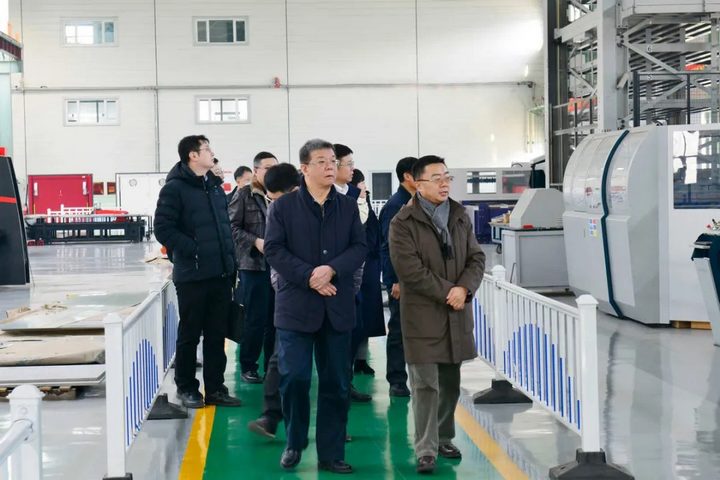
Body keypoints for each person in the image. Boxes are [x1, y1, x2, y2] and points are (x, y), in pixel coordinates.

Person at [264, 139, 367, 474]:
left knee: (337, 383)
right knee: (294, 378)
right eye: (321, 161)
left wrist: (331, 269)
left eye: (333, 161)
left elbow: (359, 248)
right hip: (296, 306)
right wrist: (309, 276)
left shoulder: (348, 207)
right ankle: (294, 442)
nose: (330, 167)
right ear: (304, 168)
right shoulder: (283, 207)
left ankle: (331, 453)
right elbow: (274, 250)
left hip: (336, 306)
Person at [389, 155, 485, 474]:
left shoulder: (459, 215)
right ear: (418, 184)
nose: (444, 184)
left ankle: (444, 437)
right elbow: (410, 270)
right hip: (423, 314)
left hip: (455, 313)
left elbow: (476, 258)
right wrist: (450, 291)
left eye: (447, 177)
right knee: (425, 384)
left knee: (450, 382)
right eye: (436, 178)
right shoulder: (403, 222)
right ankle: (426, 449)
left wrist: (465, 288)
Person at [154, 135, 241, 409]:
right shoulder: (175, 189)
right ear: (193, 155)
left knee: (216, 334)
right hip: (192, 275)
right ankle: (187, 387)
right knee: (190, 334)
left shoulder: (213, 187)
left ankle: (215, 388)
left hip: (220, 273)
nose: (212, 153)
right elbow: (163, 229)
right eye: (207, 149)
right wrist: (194, 250)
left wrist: (230, 263)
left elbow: (224, 229)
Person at [246, 162, 300, 439]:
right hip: (291, 296)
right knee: (280, 358)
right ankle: (270, 415)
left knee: (331, 365)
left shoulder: (332, 208)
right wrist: (286, 286)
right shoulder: (278, 213)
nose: (274, 204)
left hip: (329, 295)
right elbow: (275, 254)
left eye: (277, 198)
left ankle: (335, 423)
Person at [228, 151, 279, 383]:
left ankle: (272, 367)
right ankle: (249, 366)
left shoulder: (282, 194)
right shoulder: (244, 195)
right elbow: (231, 228)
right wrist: (255, 241)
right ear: (256, 170)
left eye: (275, 167)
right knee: (255, 319)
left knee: (275, 320)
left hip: (278, 266)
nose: (271, 171)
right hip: (253, 266)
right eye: (267, 167)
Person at [332, 143, 372, 403]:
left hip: (353, 277)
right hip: (328, 278)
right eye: (348, 164)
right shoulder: (324, 197)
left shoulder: (355, 195)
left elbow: (361, 235)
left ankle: (345, 383)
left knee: (352, 330)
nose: (352, 169)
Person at [378, 156, 418, 397]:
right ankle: (396, 380)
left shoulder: (419, 201)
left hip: (417, 277)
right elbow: (387, 246)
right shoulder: (395, 205)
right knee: (399, 330)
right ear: (407, 177)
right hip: (401, 281)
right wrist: (394, 280)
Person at [348, 168, 386, 376]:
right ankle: (349, 363)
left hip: (370, 267)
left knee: (367, 317)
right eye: (362, 183)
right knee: (354, 318)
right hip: (354, 267)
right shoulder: (347, 203)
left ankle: (361, 360)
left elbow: (374, 231)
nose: (365, 187)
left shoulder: (365, 201)